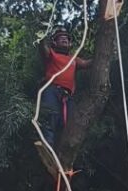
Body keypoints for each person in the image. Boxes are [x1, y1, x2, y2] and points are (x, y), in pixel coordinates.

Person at [37, 28, 90, 158]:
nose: (64, 39)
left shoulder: (73, 60)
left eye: (66, 38)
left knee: (69, 125)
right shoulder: (52, 55)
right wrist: (41, 35)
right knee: (51, 116)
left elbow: (87, 63)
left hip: (67, 96)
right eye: (60, 38)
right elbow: (43, 48)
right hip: (52, 90)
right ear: (54, 43)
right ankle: (47, 147)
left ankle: (62, 155)